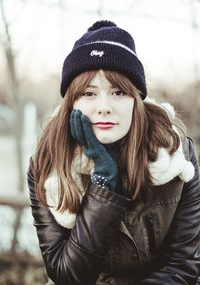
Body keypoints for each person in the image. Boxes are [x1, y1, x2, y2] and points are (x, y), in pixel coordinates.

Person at [27, 20, 200, 285]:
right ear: (72, 102)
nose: (104, 107)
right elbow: (66, 275)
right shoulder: (47, 162)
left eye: (118, 92)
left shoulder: (177, 155)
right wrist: (103, 183)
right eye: (89, 93)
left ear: (136, 99)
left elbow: (183, 265)